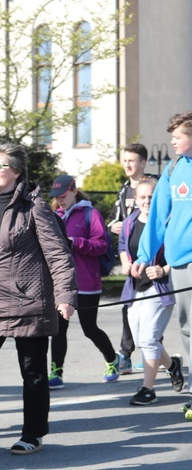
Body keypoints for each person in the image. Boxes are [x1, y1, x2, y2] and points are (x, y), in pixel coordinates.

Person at [0, 143, 77, 457]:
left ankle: (32, 434)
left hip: (27, 301)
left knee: (32, 370)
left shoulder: (35, 207)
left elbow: (59, 255)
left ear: (17, 171)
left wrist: (65, 295)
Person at [132, 111, 192, 418]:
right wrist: (145, 254)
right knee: (187, 329)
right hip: (179, 262)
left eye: (178, 136)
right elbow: (156, 217)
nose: (172, 141)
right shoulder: (173, 169)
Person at [48, 174, 121, 388]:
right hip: (61, 284)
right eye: (56, 197)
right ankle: (56, 371)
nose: (60, 200)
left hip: (87, 282)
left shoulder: (91, 213)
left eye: (63, 195)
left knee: (89, 328)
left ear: (73, 190)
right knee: (59, 328)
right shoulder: (54, 215)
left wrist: (75, 242)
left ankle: (112, 360)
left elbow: (101, 245)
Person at [118, 178, 184, 405]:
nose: (147, 201)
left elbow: (181, 253)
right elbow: (122, 247)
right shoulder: (129, 223)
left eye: (151, 197)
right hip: (134, 288)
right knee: (141, 339)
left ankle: (148, 389)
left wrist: (163, 269)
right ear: (135, 200)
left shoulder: (169, 223)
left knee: (148, 339)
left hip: (160, 288)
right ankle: (172, 365)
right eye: (142, 197)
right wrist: (125, 262)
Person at [108, 143, 156, 375]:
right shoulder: (124, 189)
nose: (127, 164)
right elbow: (114, 219)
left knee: (152, 307)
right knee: (129, 306)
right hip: (129, 254)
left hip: (152, 258)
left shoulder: (155, 186)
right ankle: (126, 354)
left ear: (143, 163)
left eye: (132, 160)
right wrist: (114, 226)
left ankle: (152, 352)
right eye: (125, 160)